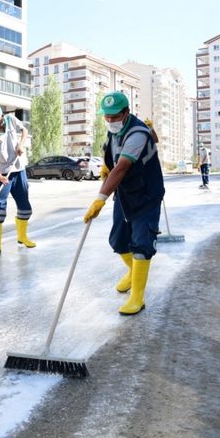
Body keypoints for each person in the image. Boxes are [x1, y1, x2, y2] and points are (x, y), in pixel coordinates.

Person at [83, 92, 165, 315]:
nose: (110, 121)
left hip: (146, 196)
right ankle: (132, 272)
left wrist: (100, 199)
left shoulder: (138, 133)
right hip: (125, 193)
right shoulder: (115, 130)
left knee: (141, 244)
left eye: (114, 116)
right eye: (106, 117)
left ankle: (137, 297)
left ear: (126, 112)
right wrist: (105, 167)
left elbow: (122, 167)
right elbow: (113, 160)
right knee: (118, 241)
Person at [0, 104, 35, 255]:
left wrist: (21, 144)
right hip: (2, 174)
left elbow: (25, 130)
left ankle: (22, 237)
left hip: (18, 170)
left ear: (1, 115)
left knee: (25, 206)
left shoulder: (11, 120)